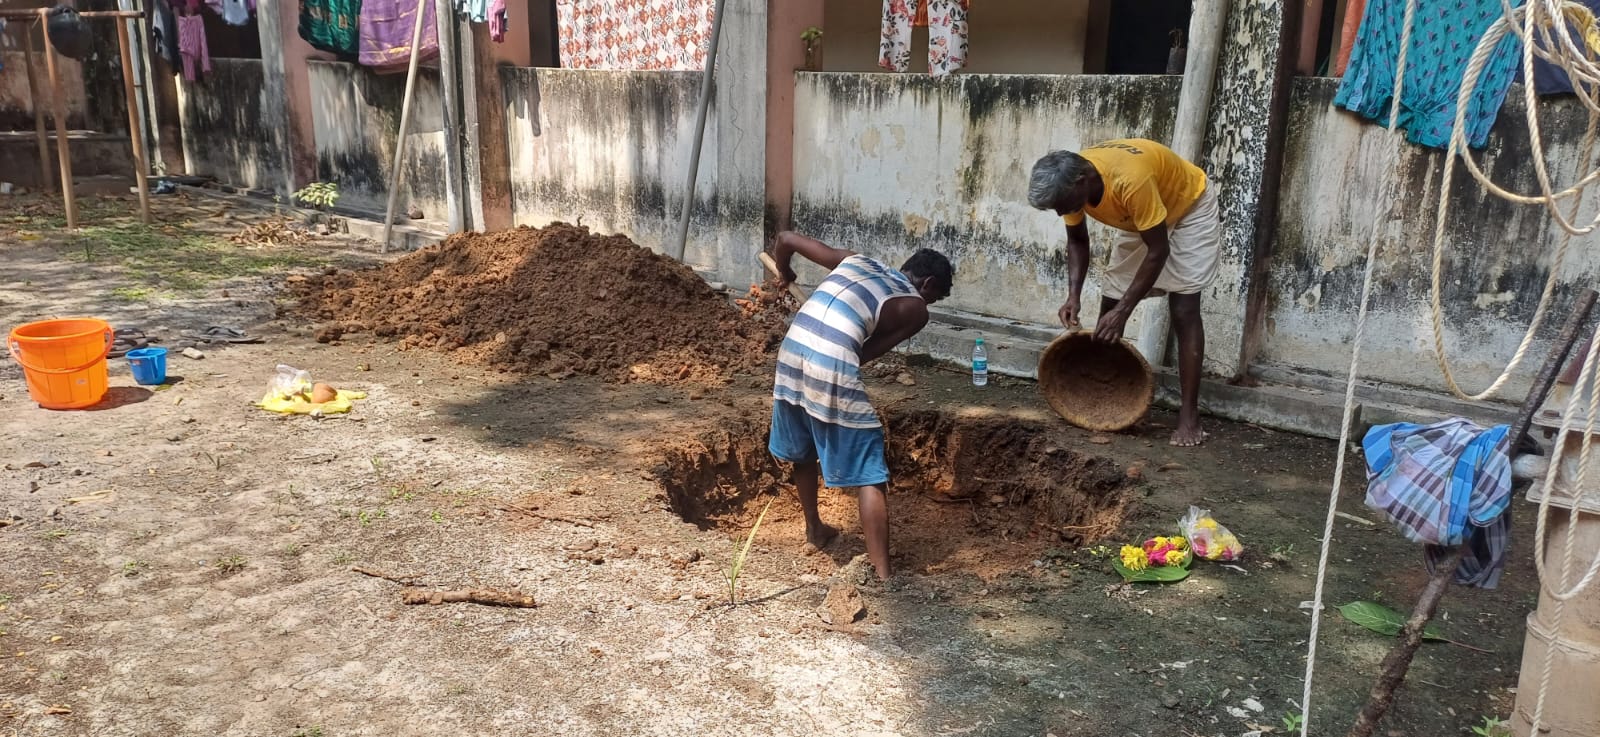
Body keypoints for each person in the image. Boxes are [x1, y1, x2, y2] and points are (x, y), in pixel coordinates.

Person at [768, 231, 955, 581]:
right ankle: (883, 576)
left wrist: (785, 271)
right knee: (870, 471)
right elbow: (867, 352)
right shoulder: (915, 308)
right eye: (934, 297)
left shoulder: (855, 259)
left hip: (792, 349)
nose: (929, 304)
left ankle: (814, 529)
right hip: (832, 360)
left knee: (804, 448)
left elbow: (786, 238)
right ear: (927, 284)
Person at [1027, 139, 1221, 447]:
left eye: (1061, 205)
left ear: (1082, 182)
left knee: (1184, 308)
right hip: (1143, 216)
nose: (1060, 211)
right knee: (1112, 297)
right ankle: (1105, 393)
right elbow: (1077, 240)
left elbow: (1158, 251)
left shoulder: (1129, 180)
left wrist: (1124, 312)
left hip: (1188, 207)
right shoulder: (1071, 181)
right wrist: (1073, 296)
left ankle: (1189, 416)